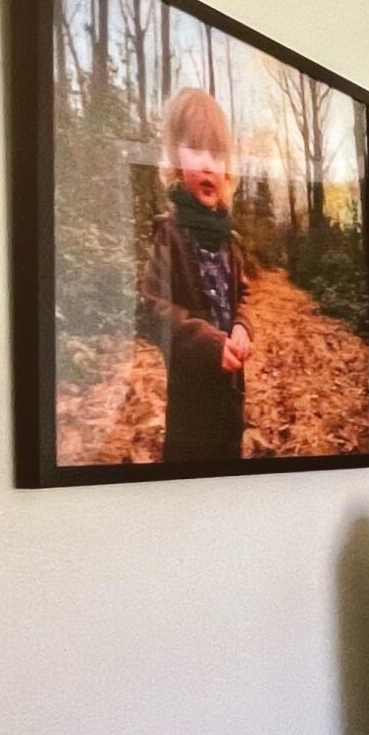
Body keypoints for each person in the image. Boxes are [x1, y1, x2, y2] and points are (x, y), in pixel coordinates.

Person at [135, 86, 251, 462]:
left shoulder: (229, 240)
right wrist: (208, 343)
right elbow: (152, 308)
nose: (207, 164)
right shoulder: (170, 234)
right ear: (173, 158)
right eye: (195, 150)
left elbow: (244, 296)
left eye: (216, 155)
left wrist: (242, 328)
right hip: (190, 401)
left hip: (230, 396)